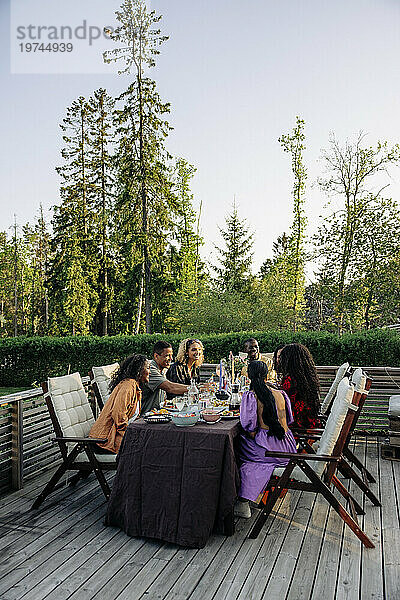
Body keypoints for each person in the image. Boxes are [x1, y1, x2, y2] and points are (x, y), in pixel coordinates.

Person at [235, 360, 297, 518]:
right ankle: (248, 498)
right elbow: (289, 420)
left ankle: (242, 500)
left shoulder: (252, 396)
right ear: (267, 374)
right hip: (287, 446)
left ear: (248, 376)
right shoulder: (280, 393)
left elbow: (249, 427)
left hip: (268, 450)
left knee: (235, 447)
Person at [89, 354, 150, 454]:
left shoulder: (135, 386)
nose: (150, 372)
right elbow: (118, 414)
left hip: (116, 436)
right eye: (147, 368)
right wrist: (129, 434)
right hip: (106, 441)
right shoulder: (128, 386)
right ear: (139, 370)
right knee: (149, 447)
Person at [277, 343, 322, 430]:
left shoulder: (290, 380)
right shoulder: (304, 378)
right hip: (309, 421)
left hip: (296, 426)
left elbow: (284, 405)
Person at [140, 340, 190, 414]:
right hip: (146, 417)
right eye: (167, 356)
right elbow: (170, 387)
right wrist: (195, 389)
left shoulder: (162, 369)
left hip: (159, 413)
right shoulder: (149, 369)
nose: (171, 359)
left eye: (171, 355)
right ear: (156, 356)